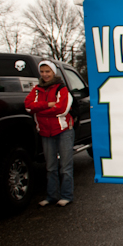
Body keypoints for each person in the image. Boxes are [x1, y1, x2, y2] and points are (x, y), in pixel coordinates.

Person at [24, 60, 75, 207]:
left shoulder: (61, 88)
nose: (45, 74)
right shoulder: (37, 89)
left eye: (48, 71)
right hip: (46, 132)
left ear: (53, 72)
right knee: (50, 166)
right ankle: (52, 196)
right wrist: (47, 105)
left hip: (63, 130)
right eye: (42, 71)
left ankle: (66, 196)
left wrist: (39, 110)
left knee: (65, 167)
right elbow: (28, 106)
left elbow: (61, 109)